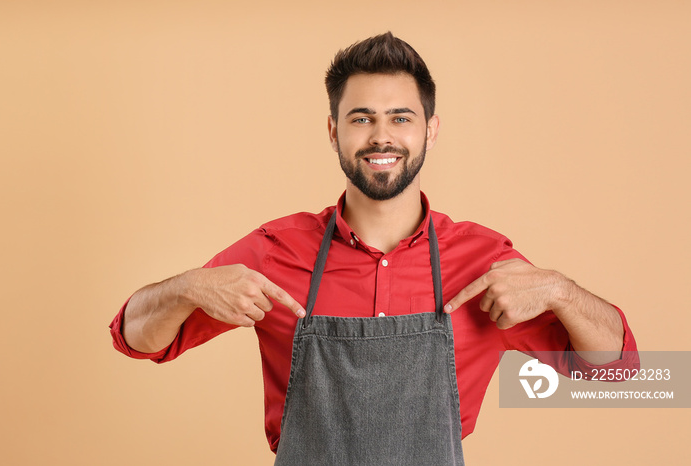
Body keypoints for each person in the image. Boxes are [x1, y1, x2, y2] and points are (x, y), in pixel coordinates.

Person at [110, 32, 637, 465]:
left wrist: (561, 292)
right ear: (333, 131)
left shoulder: (483, 262)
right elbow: (136, 338)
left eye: (400, 118)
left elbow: (617, 370)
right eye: (361, 118)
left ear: (430, 131)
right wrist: (186, 289)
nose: (380, 137)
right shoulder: (276, 250)